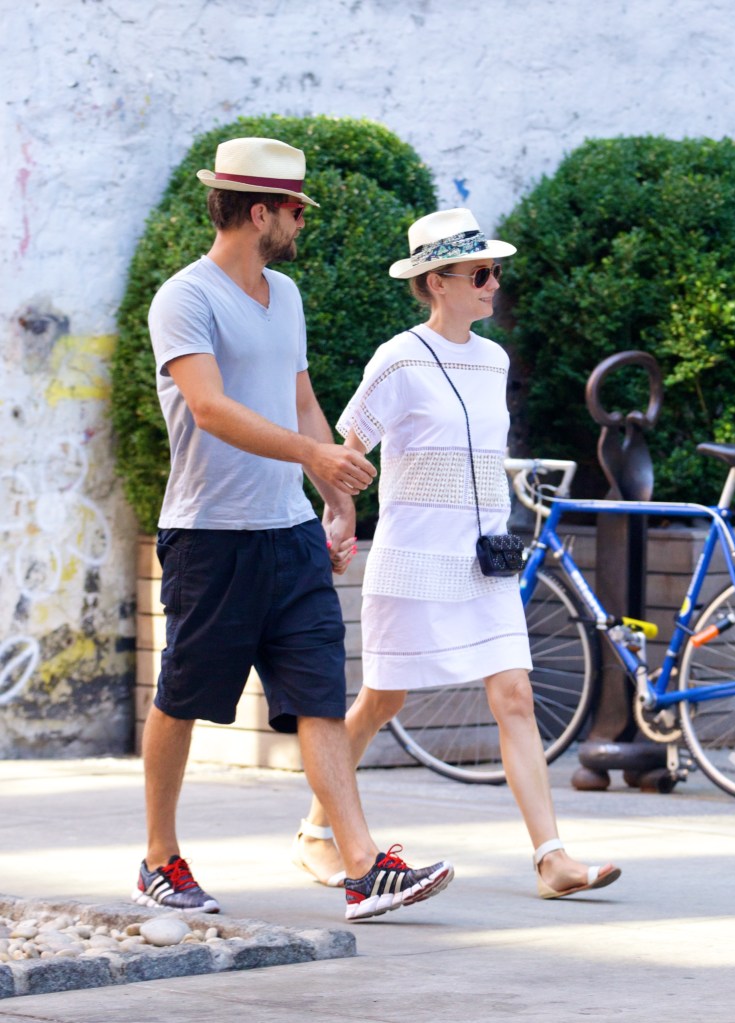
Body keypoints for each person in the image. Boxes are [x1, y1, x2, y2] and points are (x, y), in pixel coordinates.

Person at [134, 137, 454, 922]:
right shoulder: (187, 297)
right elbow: (209, 408)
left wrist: (332, 486)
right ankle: (158, 858)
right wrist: (310, 450)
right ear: (256, 211)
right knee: (182, 695)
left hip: (289, 534)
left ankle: (360, 865)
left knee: (318, 694)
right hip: (212, 537)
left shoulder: (289, 295)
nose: (302, 223)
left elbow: (302, 398)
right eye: (294, 210)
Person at [292, 207, 622, 900]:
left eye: (496, 270)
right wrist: (339, 515)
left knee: (515, 695)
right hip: (413, 558)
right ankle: (318, 831)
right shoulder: (399, 358)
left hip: (485, 561)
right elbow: (344, 450)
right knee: (383, 698)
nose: (493, 283)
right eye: (480, 272)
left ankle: (552, 857)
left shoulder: (494, 358)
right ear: (437, 281)